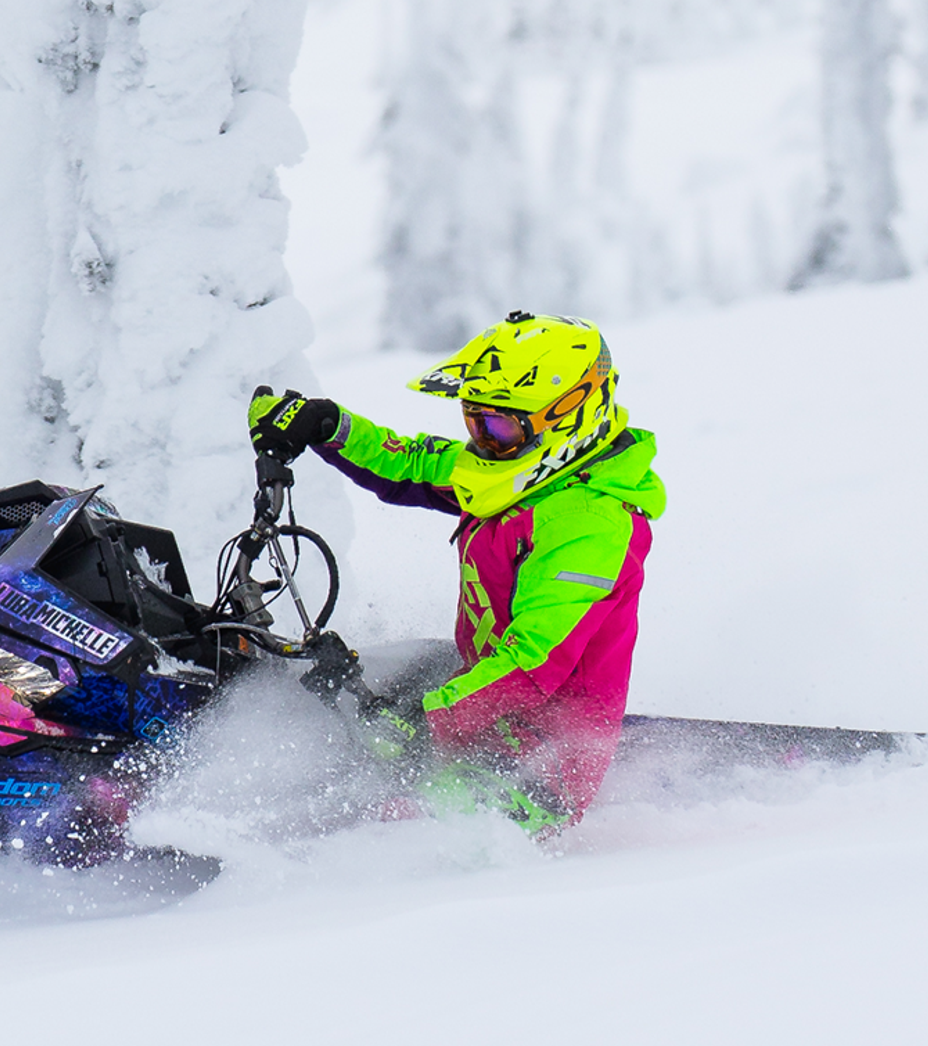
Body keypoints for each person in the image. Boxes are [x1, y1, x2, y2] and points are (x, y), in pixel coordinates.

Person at [247, 310, 664, 830]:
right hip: (475, 705)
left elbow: (533, 662)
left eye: (498, 425)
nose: (482, 441)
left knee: (370, 820)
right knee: (351, 701)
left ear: (570, 414)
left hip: (539, 766)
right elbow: (413, 464)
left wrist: (426, 720)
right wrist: (328, 425)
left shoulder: (590, 524)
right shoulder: (518, 471)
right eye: (474, 421)